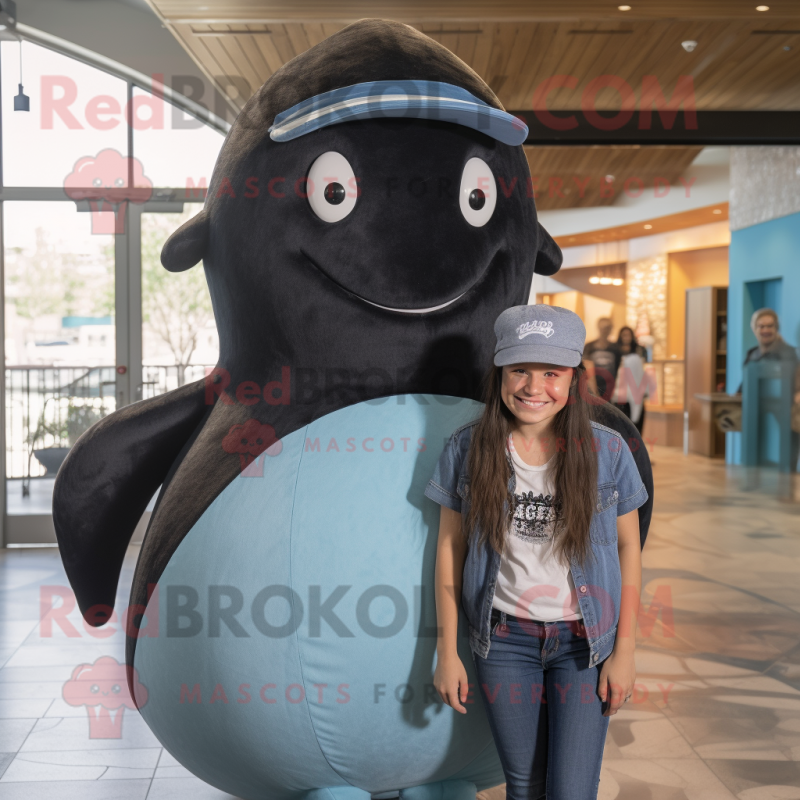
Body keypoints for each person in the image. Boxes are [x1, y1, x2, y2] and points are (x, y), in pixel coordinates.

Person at [426, 304, 648, 800]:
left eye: (551, 372)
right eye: (519, 370)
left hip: (585, 643)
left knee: (571, 790)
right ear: (500, 373)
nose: (533, 387)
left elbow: (630, 547)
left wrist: (626, 650)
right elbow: (449, 546)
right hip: (505, 642)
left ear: (574, 379)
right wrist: (448, 650)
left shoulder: (608, 451)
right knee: (524, 786)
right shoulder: (466, 448)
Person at [735, 308, 800, 471]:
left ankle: (786, 486)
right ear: (754, 329)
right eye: (761, 326)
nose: (765, 330)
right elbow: (746, 381)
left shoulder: (789, 353)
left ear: (776, 328)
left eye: (769, 326)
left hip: (784, 410)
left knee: (788, 448)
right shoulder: (752, 354)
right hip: (755, 411)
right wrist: (737, 394)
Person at [613, 326, 649, 435]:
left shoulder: (639, 351)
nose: (626, 337)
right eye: (624, 335)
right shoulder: (615, 351)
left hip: (636, 391)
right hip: (619, 393)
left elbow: (642, 372)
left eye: (628, 335)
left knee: (636, 424)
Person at [584, 317, 621, 402]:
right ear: (598, 328)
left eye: (607, 328)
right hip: (593, 388)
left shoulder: (615, 348)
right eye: (603, 328)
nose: (604, 331)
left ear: (611, 329)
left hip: (610, 389)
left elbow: (618, 368)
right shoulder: (589, 347)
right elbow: (585, 368)